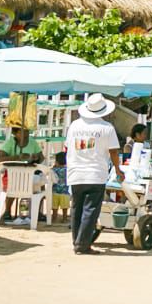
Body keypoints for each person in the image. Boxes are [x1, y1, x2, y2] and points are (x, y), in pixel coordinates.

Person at [65, 93, 122, 255]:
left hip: (75, 172)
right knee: (90, 210)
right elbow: (114, 152)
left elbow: (68, 147)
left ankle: (77, 241)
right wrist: (118, 170)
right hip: (96, 173)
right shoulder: (107, 128)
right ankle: (82, 245)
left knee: (77, 208)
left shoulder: (74, 126)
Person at [0, 125, 45, 224]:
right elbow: (1, 159)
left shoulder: (32, 142)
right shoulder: (10, 143)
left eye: (27, 131)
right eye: (22, 132)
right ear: (15, 133)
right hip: (13, 174)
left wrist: (36, 158)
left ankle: (38, 211)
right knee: (14, 185)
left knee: (40, 186)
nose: (26, 134)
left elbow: (41, 157)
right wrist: (17, 157)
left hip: (30, 173)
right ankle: (7, 211)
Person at [50, 152, 70, 223]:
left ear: (56, 161)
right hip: (65, 192)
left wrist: (53, 167)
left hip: (55, 191)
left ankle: (54, 218)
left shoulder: (54, 170)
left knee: (54, 207)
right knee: (65, 207)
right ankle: (64, 218)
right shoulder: (68, 170)